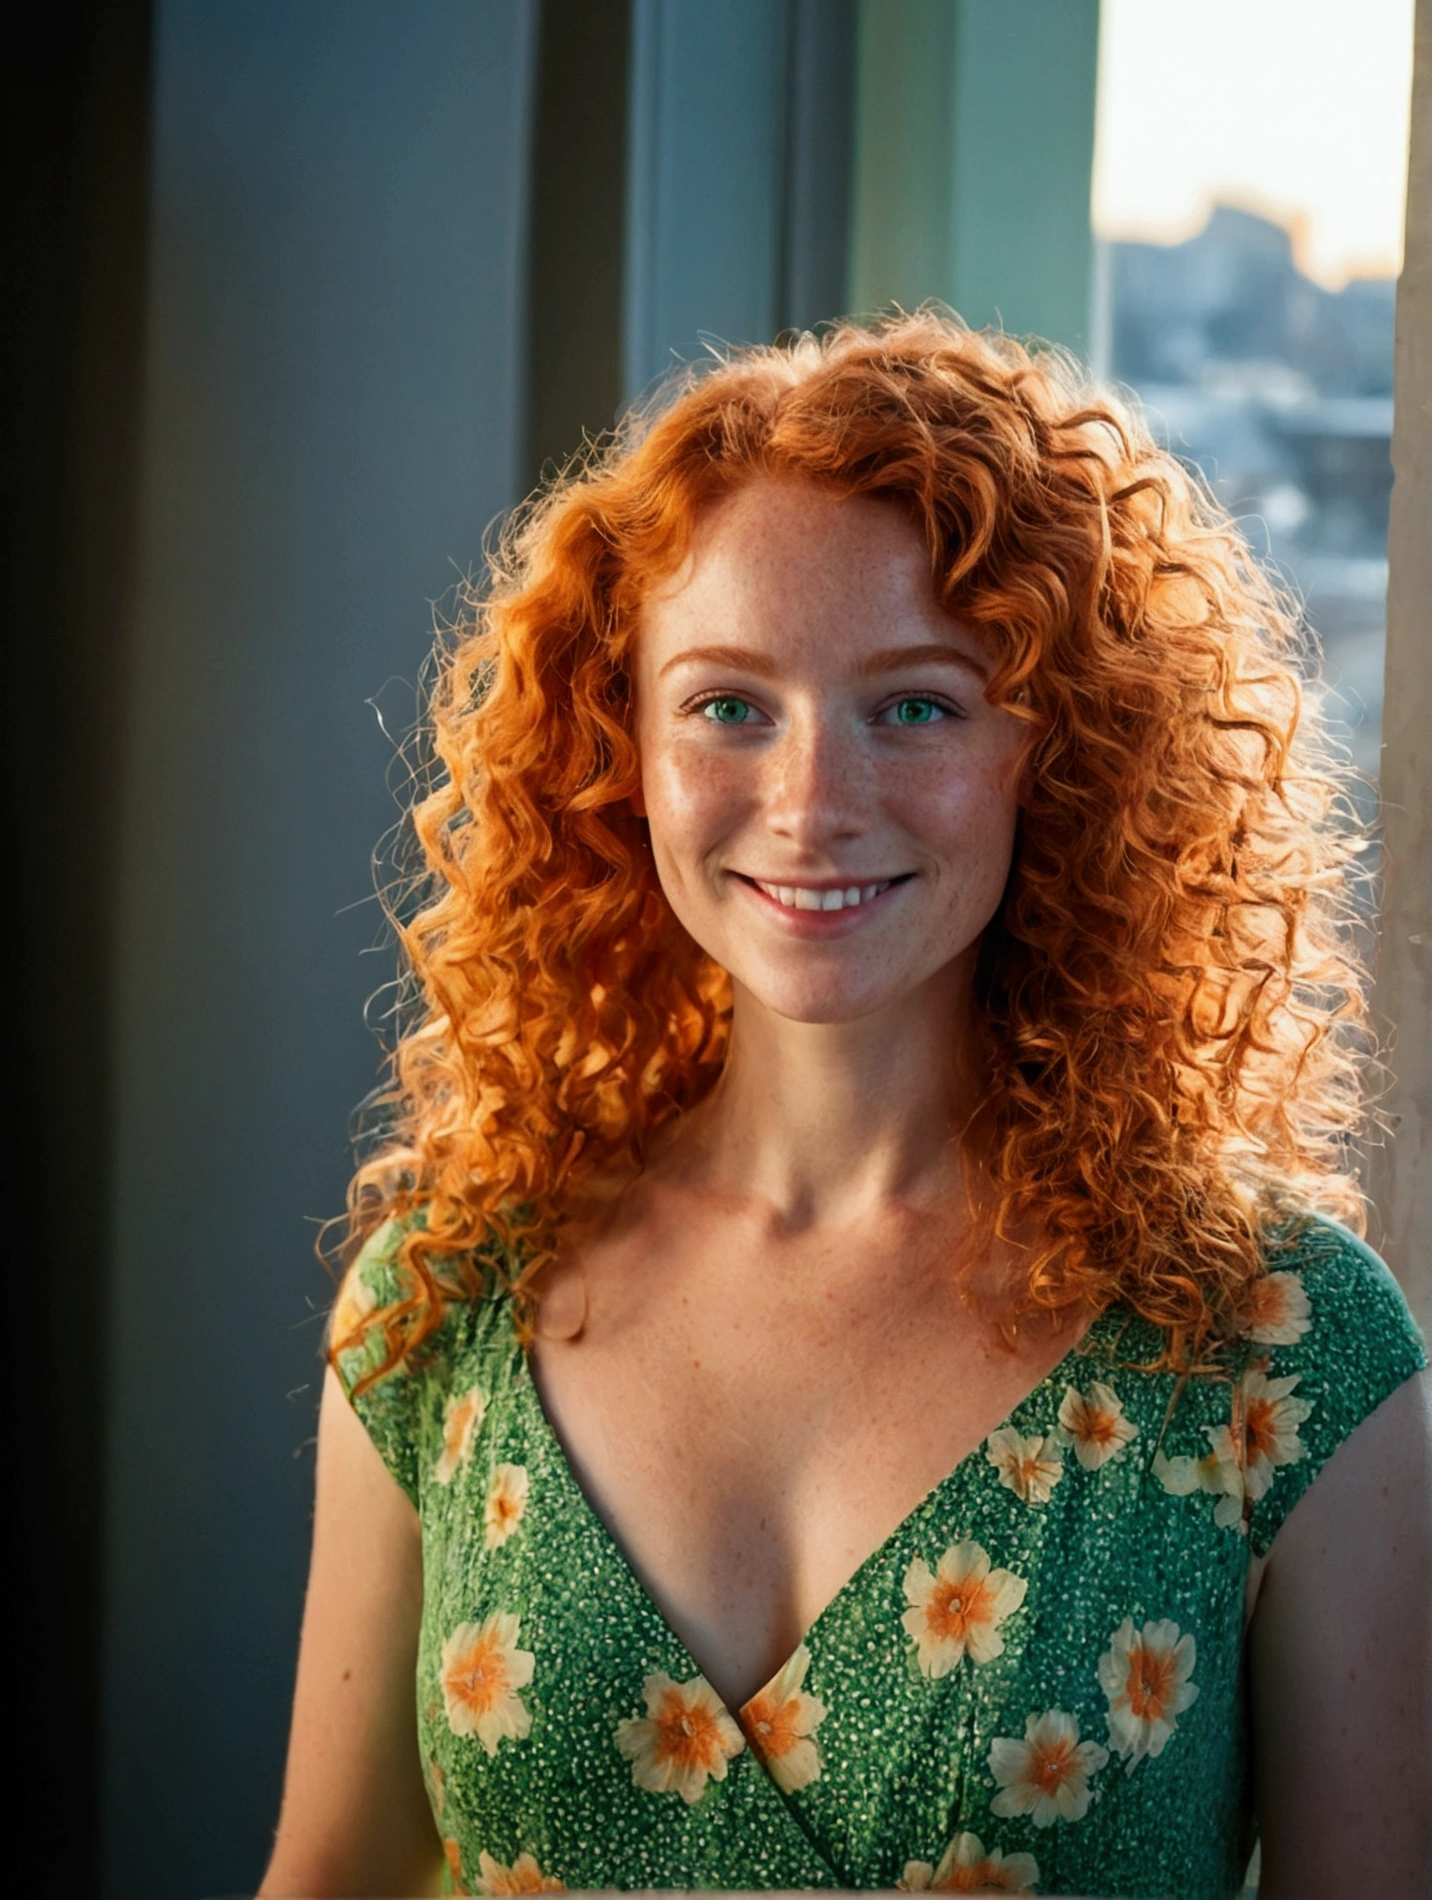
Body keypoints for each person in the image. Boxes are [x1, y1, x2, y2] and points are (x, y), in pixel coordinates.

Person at [259, 315, 1429, 1900]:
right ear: (622, 747)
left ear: (1055, 747)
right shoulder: (448, 1294)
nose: (812, 806)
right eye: (728, 705)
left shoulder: (1279, 1346)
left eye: (918, 706)